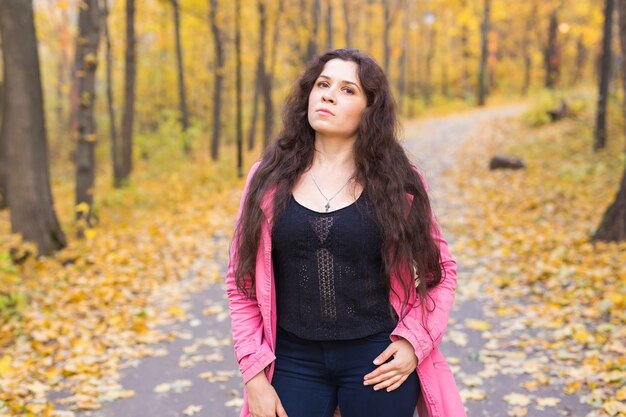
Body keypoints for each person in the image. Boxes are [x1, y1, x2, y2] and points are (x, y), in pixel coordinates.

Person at [225, 48, 465, 417]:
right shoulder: (266, 180)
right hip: (291, 361)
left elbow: (440, 272)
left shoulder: (399, 183)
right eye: (322, 84)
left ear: (370, 110)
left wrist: (415, 342)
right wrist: (253, 374)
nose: (329, 94)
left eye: (348, 90)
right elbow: (240, 284)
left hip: (377, 360)